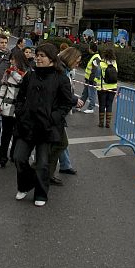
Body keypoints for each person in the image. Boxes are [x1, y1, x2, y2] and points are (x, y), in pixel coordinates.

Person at [13, 42, 74, 207]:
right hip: (27, 125)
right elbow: (20, 96)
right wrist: (20, 111)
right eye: (37, 55)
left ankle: (41, 193)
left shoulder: (61, 78)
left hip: (47, 128)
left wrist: (53, 118)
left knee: (42, 163)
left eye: (42, 56)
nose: (38, 58)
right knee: (19, 157)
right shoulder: (30, 75)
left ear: (52, 59)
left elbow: (66, 103)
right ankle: (25, 185)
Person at [49, 47, 83, 183]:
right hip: (55, 113)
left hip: (57, 113)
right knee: (59, 143)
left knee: (61, 142)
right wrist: (74, 100)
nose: (78, 64)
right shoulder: (61, 71)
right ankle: (43, 174)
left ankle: (64, 165)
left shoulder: (64, 69)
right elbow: (61, 92)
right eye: (77, 61)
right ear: (70, 58)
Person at [0, 48, 28, 167]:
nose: (12, 62)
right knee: (6, 134)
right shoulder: (7, 72)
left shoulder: (26, 73)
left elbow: (22, 82)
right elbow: (3, 88)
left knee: (17, 133)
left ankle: (14, 154)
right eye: (11, 60)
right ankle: (2, 157)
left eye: (14, 60)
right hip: (7, 106)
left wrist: (13, 72)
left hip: (20, 108)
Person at [96, 46, 118, 128]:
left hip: (102, 88)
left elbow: (97, 76)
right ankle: (108, 123)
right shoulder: (115, 63)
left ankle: (101, 123)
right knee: (109, 105)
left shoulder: (101, 63)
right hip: (113, 87)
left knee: (102, 105)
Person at [79, 41, 101, 114]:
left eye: (89, 48)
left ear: (91, 49)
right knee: (85, 93)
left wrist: (92, 79)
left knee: (92, 94)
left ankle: (91, 108)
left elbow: (95, 70)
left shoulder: (96, 58)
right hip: (88, 79)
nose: (88, 49)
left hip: (91, 80)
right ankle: (79, 105)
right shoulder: (95, 56)